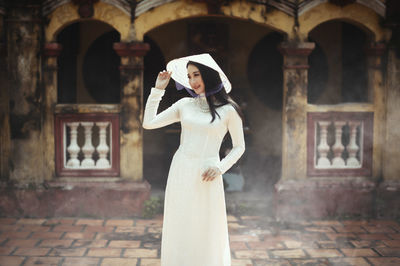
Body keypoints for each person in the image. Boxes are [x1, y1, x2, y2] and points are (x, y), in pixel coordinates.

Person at [143, 53, 245, 266]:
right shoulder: (185, 104)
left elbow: (239, 147)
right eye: (189, 76)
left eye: (196, 74)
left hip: (208, 173)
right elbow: (149, 123)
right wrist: (158, 90)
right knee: (180, 222)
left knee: (206, 225)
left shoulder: (229, 110)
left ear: (208, 75)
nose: (192, 81)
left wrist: (220, 167)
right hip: (181, 170)